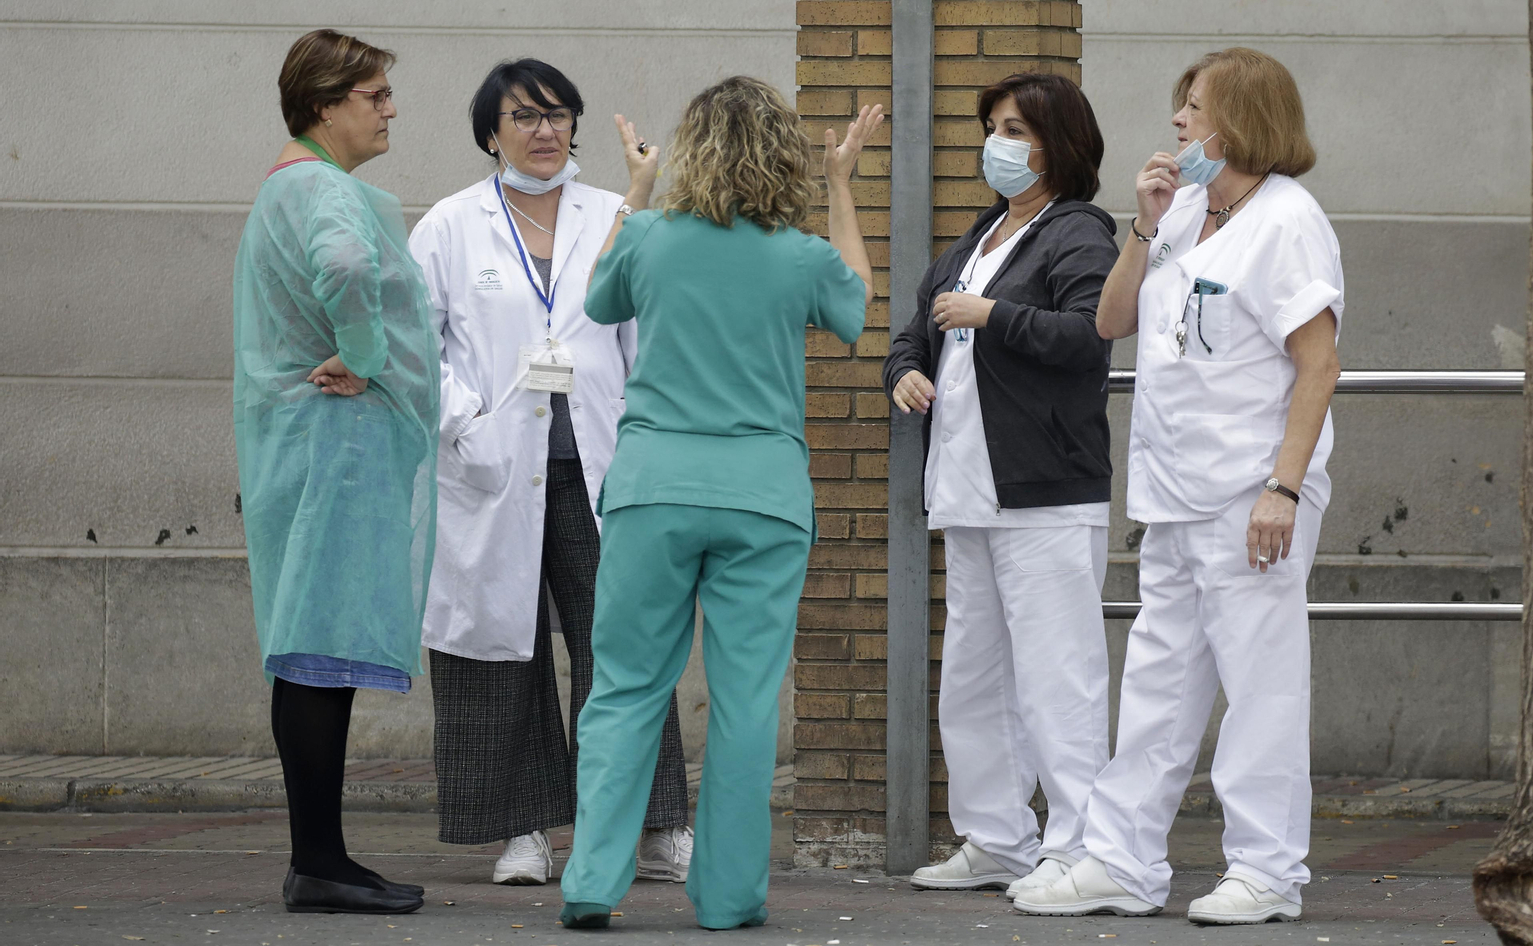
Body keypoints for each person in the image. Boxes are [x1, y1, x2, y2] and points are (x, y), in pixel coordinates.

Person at [1012, 47, 1343, 926]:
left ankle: (1268, 868)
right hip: (1174, 494)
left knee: (1261, 684)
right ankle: (1122, 858)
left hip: (1250, 494)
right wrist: (1146, 223)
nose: (1179, 123)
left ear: (1239, 118)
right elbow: (1110, 320)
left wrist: (1283, 485)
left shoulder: (1287, 222)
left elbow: (1318, 366)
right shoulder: (1188, 207)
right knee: (1160, 680)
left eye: (1193, 107)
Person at [556, 78, 879, 930]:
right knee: (746, 703)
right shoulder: (799, 252)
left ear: (692, 149)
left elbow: (596, 299)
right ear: (780, 154)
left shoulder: (653, 236)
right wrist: (841, 183)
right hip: (764, 497)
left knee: (624, 686)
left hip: (653, 488)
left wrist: (635, 187)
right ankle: (730, 896)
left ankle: (592, 879)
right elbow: (856, 301)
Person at [408, 59, 692, 887]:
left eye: (558, 114)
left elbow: (652, 338)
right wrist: (466, 423)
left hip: (602, 467)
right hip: (491, 470)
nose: (544, 130)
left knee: (626, 644)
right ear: (490, 131)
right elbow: (416, 347)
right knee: (499, 652)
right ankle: (520, 829)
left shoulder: (620, 212)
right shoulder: (450, 226)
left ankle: (652, 823)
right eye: (524, 116)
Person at [883, 72, 1121, 900]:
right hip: (967, 488)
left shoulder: (1080, 231)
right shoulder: (980, 235)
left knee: (1060, 676)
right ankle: (995, 838)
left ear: (1059, 141)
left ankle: (1082, 845)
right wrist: (905, 373)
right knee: (975, 676)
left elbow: (1092, 335)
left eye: (1015, 127)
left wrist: (993, 319)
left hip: (1046, 491)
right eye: (993, 125)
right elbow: (915, 330)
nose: (998, 142)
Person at [233, 28, 439, 915]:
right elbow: (347, 263)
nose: (390, 109)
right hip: (335, 446)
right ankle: (317, 859)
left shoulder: (286, 185)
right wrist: (363, 353)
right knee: (318, 654)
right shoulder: (325, 190)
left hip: (299, 446)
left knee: (312, 651)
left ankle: (324, 853)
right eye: (374, 95)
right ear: (325, 104)